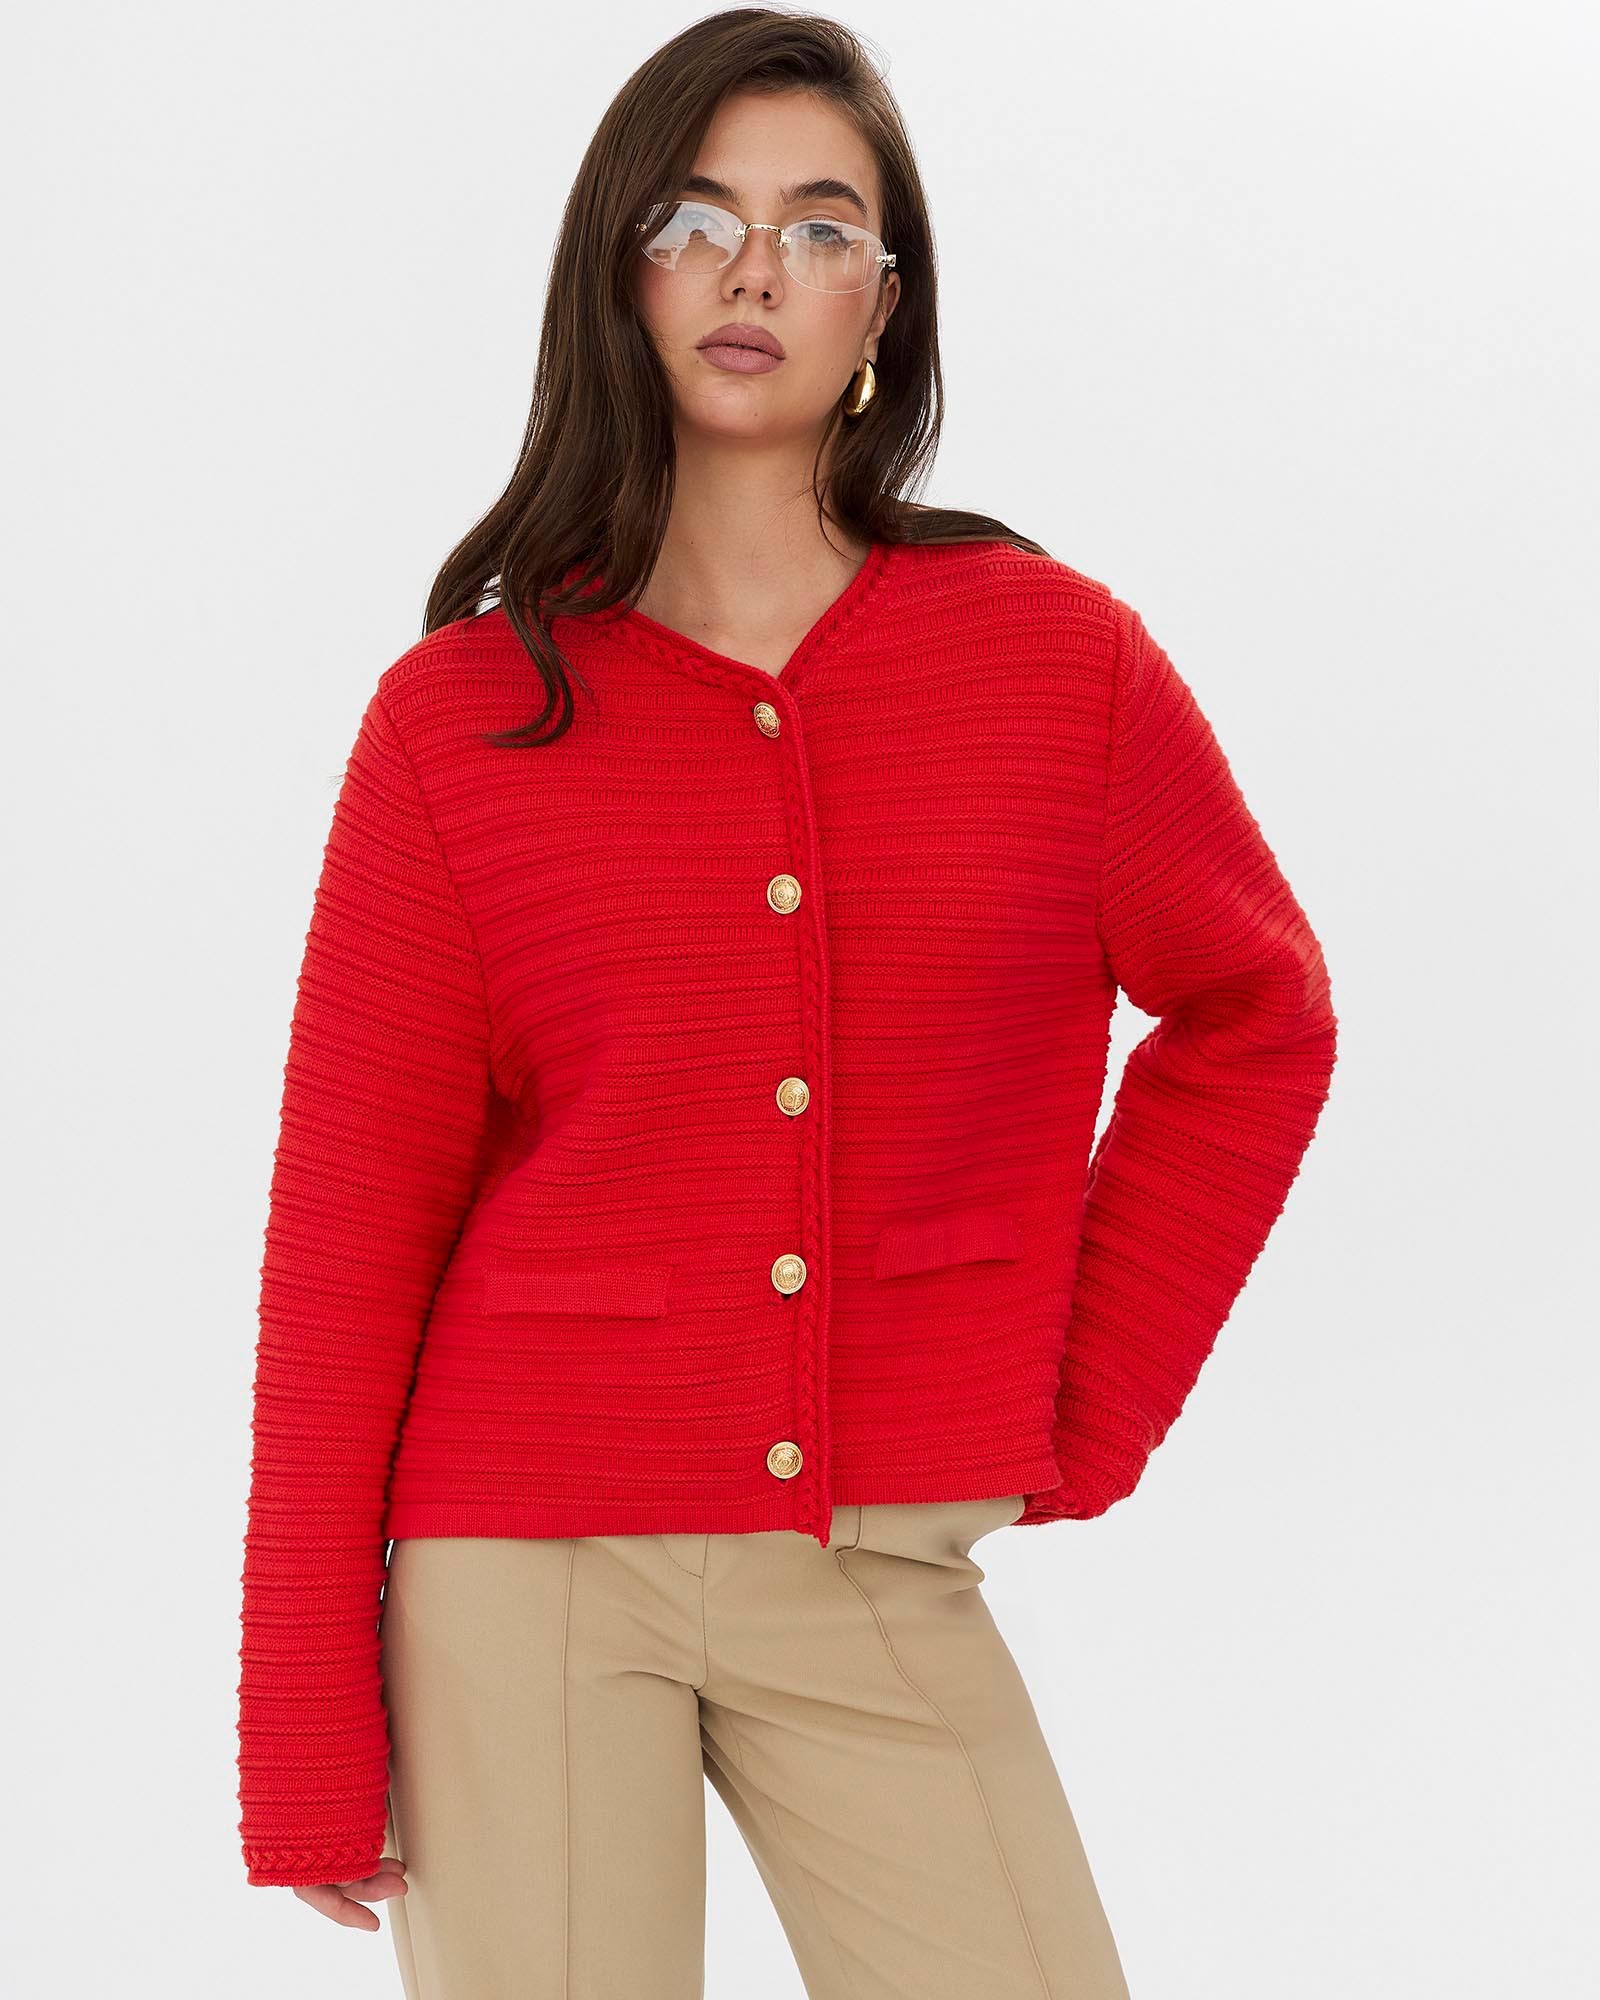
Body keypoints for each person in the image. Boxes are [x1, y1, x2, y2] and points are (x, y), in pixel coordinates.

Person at [235, 12, 1339, 1997]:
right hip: (521, 1560)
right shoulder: (458, 721)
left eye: (819, 226)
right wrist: (307, 1710)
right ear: (619, 270)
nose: (752, 272)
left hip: (878, 1551)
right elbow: (348, 1230)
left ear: (884, 307)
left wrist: (1081, 1396)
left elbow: (1255, 1011)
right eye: (695, 220)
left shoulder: (1056, 665)